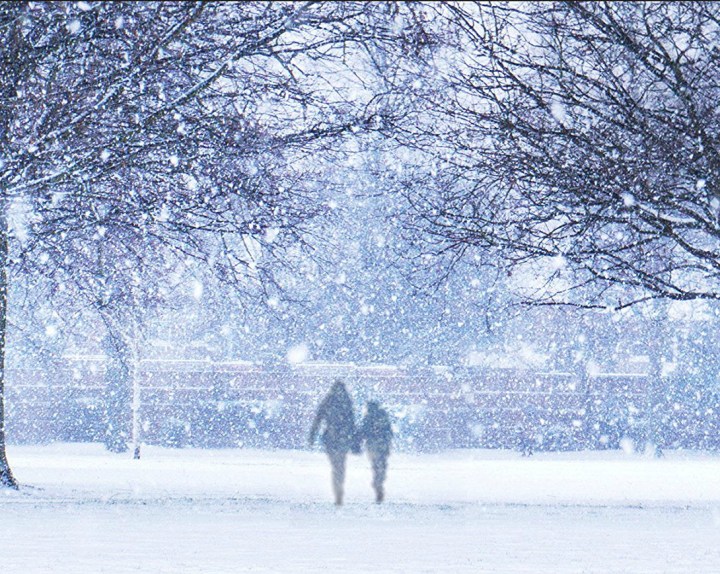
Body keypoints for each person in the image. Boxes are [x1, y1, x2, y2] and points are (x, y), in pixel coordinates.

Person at [309, 380, 358, 506]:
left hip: (331, 438)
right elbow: (352, 424)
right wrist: (354, 443)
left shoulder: (328, 401)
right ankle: (338, 491)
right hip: (342, 439)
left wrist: (312, 436)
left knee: (336, 465)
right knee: (339, 466)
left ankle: (337, 491)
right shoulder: (347, 402)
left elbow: (318, 420)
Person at [359, 400, 393, 503]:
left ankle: (378, 483)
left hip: (373, 445)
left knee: (376, 464)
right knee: (381, 464)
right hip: (383, 445)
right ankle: (379, 481)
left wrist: (357, 440)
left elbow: (363, 432)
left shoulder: (368, 418)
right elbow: (389, 431)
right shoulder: (383, 416)